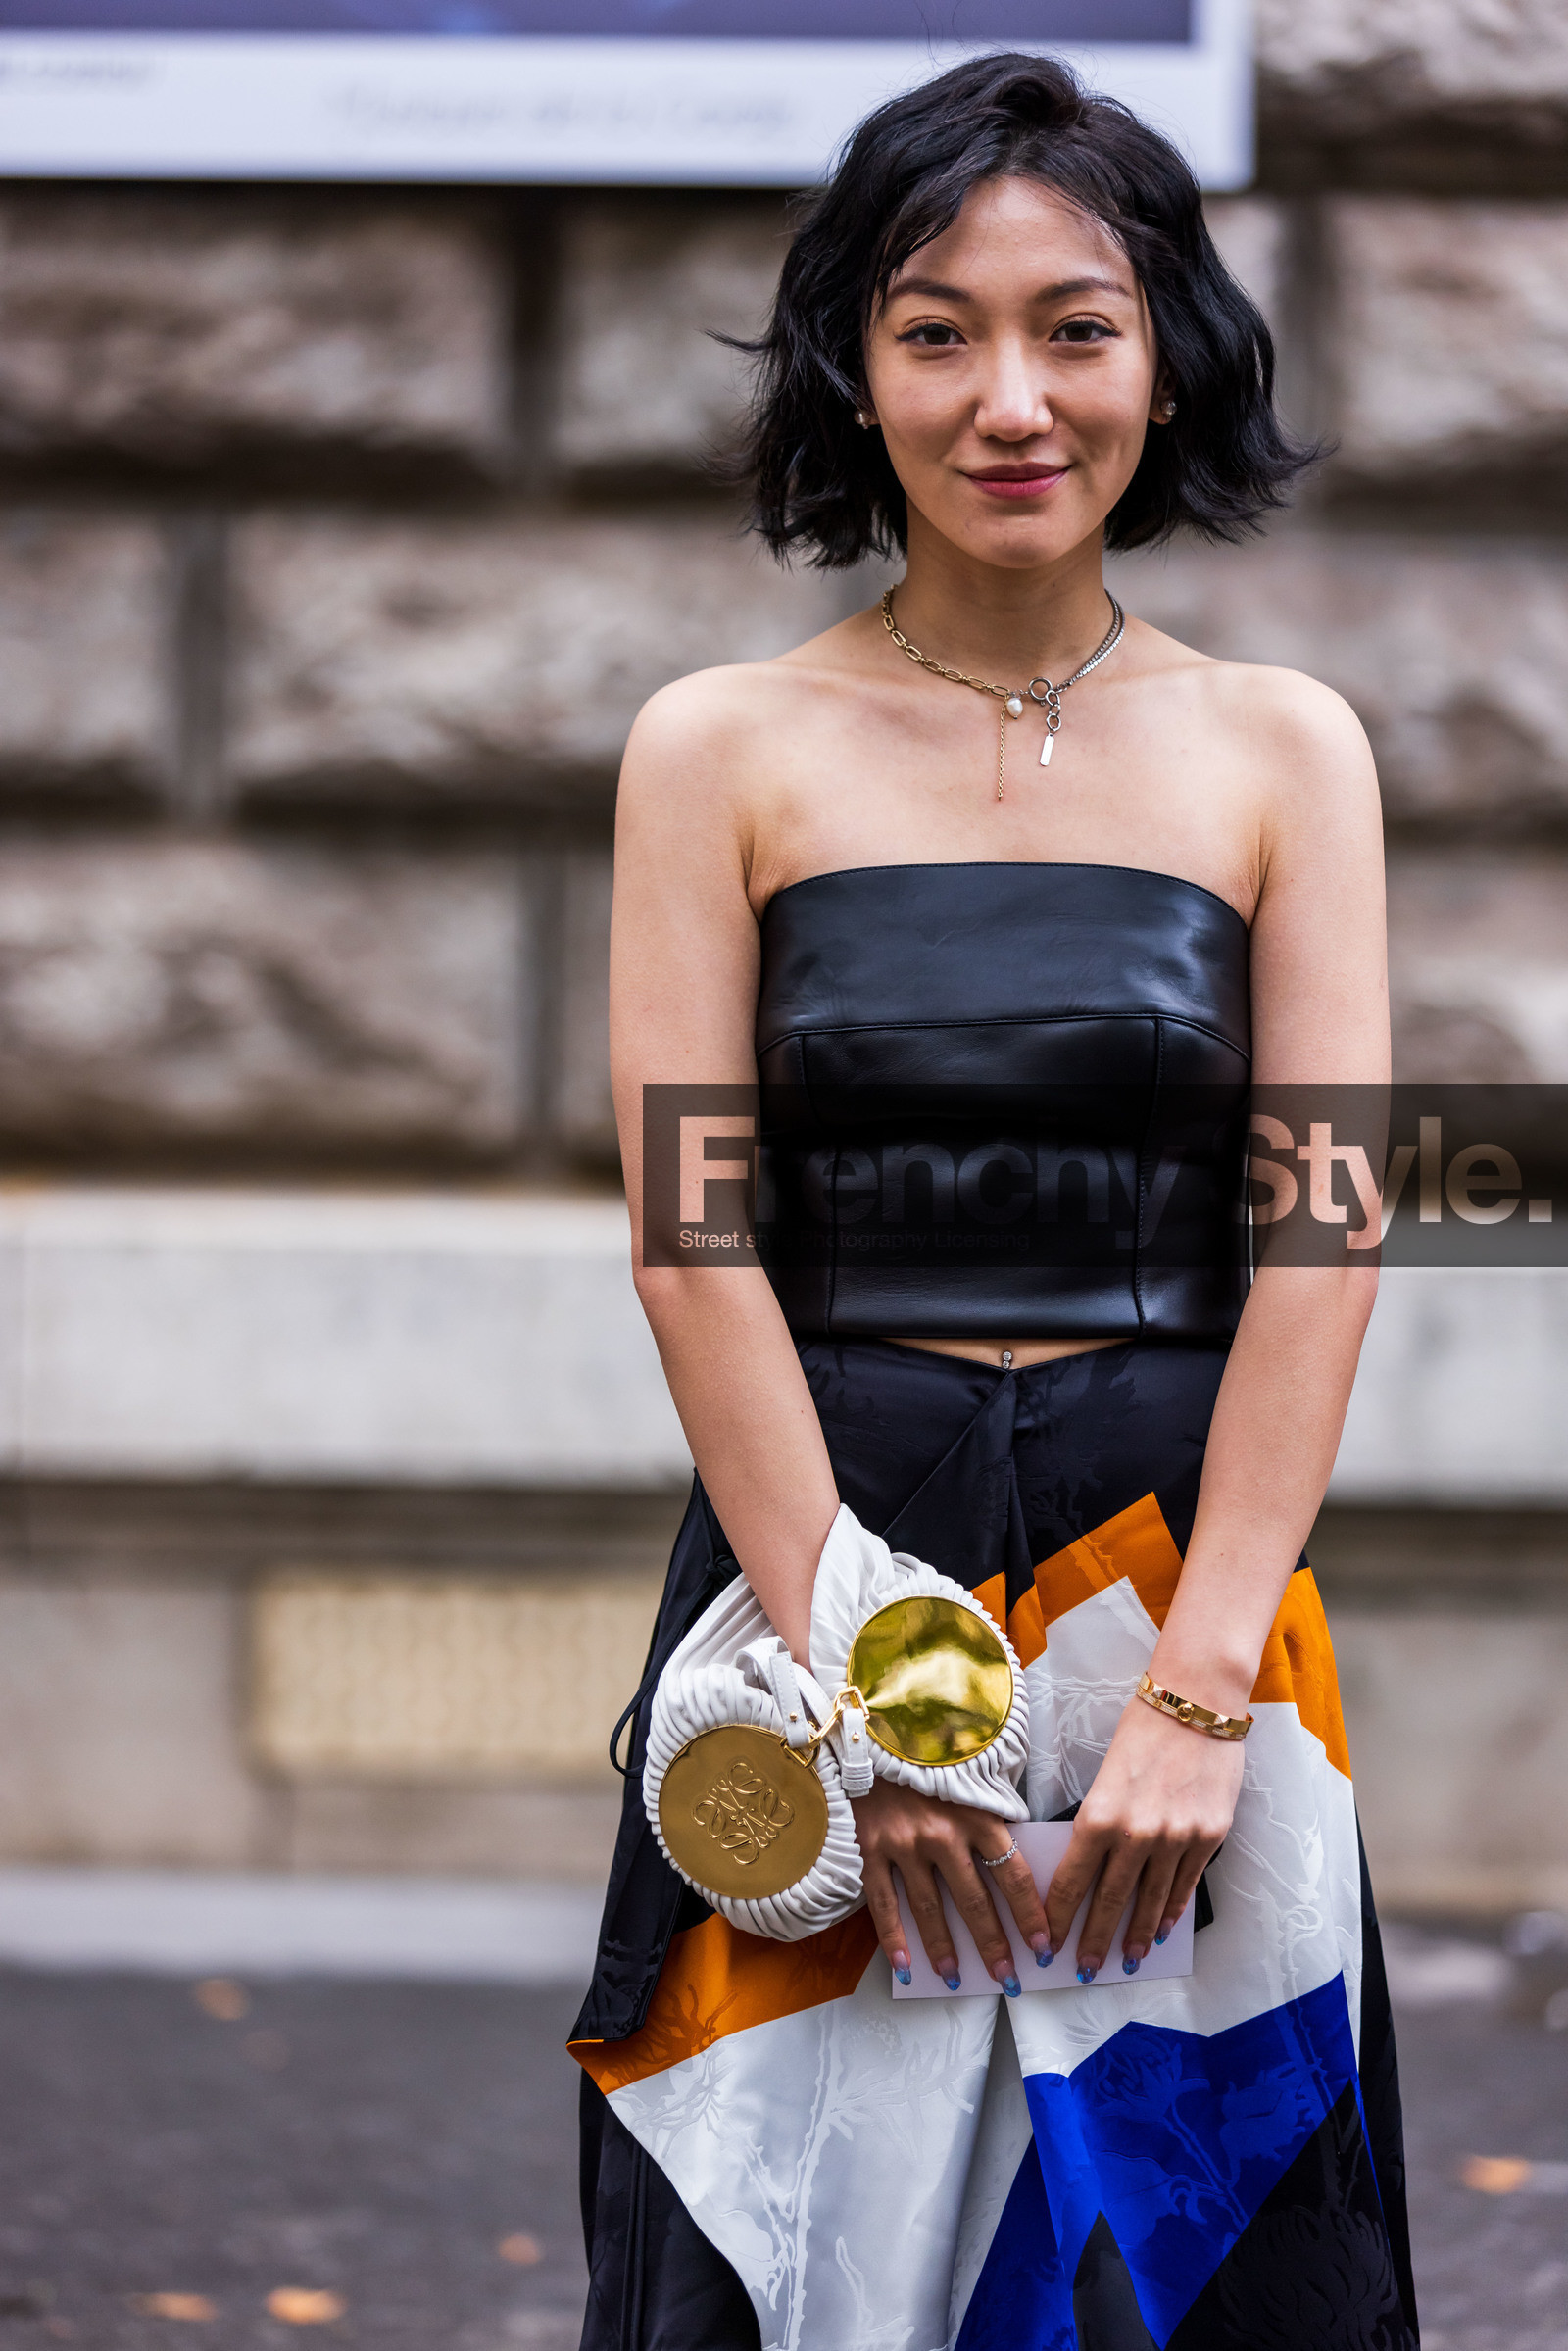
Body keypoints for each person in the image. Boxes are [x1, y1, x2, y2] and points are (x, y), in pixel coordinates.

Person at [570, 50, 1416, 2351]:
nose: (1008, 396)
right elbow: (687, 1228)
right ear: (854, 362)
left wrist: (1203, 1693)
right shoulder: (711, 748)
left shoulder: (1285, 750)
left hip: (1179, 1579)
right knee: (779, 2243)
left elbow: (1326, 1219)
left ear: (1166, 356)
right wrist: (874, 1693)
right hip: (815, 1551)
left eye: (1075, 324)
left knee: (1202, 2255)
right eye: (936, 327)